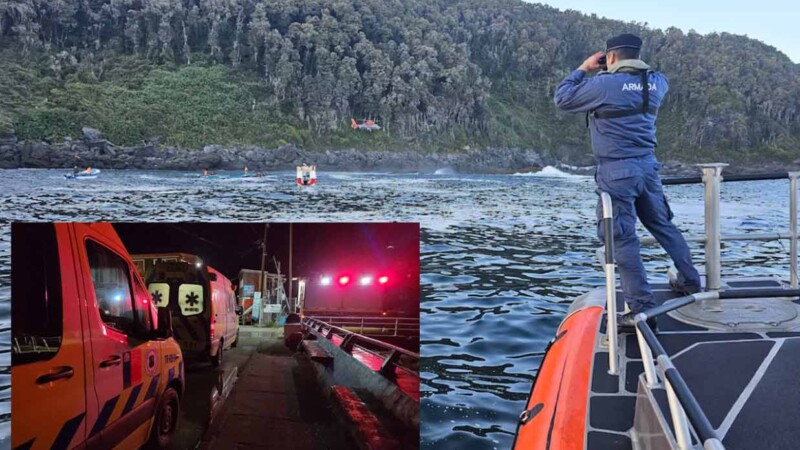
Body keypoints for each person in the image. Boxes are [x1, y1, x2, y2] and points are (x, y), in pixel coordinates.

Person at [554, 33, 701, 330]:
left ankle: (643, 311)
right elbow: (647, 81)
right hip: (648, 169)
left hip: (617, 171)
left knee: (622, 239)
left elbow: (563, 97)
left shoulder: (605, 84)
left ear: (609, 58)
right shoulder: (657, 82)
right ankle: (690, 281)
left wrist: (584, 67)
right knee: (663, 225)